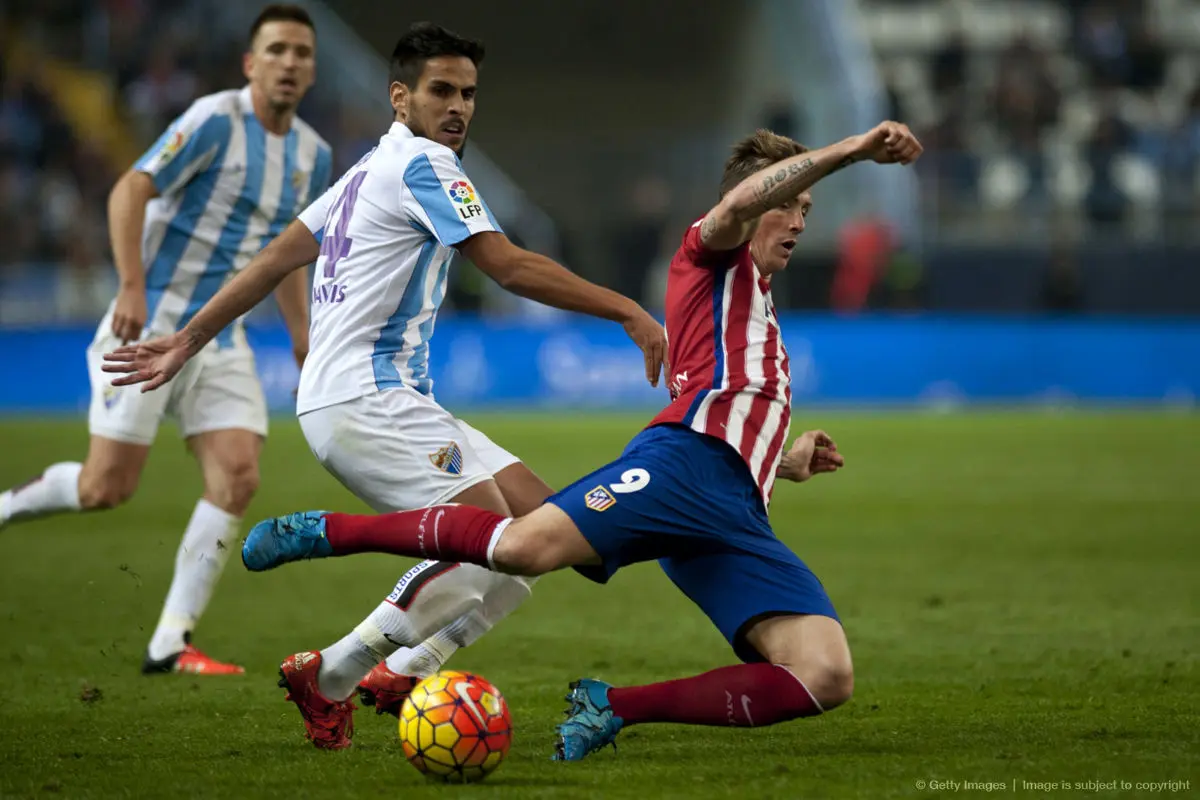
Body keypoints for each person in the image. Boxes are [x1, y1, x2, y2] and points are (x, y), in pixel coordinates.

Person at [228, 121, 923, 759]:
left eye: (807, 210)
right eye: (789, 202)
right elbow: (741, 206)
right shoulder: (711, 252)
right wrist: (849, 151)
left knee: (824, 673)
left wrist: (782, 460)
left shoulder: (755, 302)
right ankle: (328, 533)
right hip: (684, 467)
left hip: (736, 507)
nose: (798, 219)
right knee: (522, 546)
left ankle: (610, 707)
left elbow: (732, 398)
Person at [102, 22, 667, 748]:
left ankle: (403, 670)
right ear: (401, 97)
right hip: (367, 400)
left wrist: (187, 339)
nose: (457, 106)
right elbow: (507, 266)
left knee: (545, 535)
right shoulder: (425, 164)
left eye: (468, 93)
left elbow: (274, 259)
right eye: (441, 90)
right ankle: (332, 674)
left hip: (378, 399)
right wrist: (626, 308)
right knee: (486, 552)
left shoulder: (366, 171)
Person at [0, 4, 330, 676]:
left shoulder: (314, 155)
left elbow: (288, 254)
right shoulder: (216, 119)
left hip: (222, 339)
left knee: (238, 476)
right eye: (276, 50)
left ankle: (171, 642)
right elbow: (131, 189)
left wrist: (303, 339)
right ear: (250, 63)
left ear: (313, 69)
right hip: (150, 326)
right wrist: (130, 286)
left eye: (301, 52)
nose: (289, 62)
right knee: (104, 487)